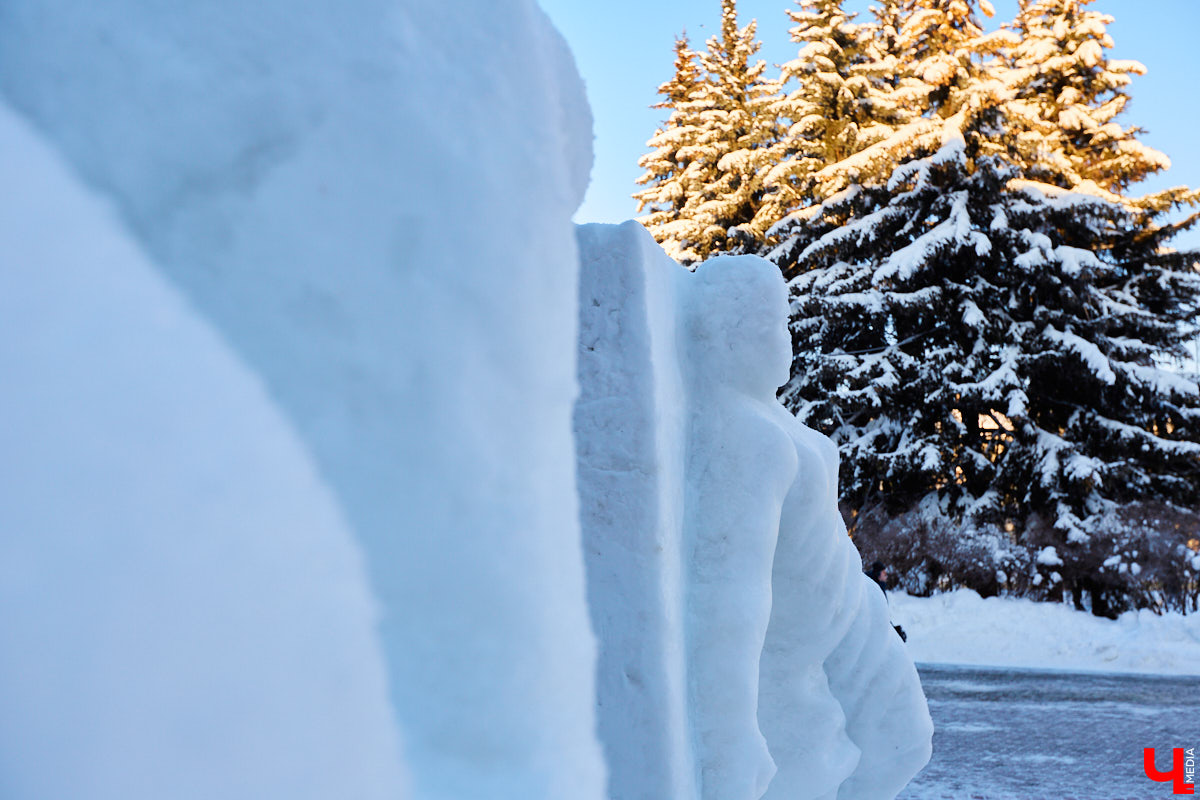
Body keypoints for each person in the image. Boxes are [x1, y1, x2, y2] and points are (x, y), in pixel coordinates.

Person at [864, 561, 907, 642]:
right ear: (878, 574)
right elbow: (880, 614)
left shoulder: (877, 583)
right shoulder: (874, 588)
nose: (886, 575)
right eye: (884, 573)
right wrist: (895, 633)